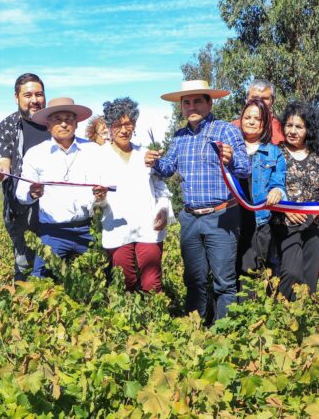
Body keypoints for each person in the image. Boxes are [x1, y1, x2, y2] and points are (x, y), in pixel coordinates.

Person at [145, 80, 250, 322]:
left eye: (197, 101)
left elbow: (244, 169)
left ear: (209, 103)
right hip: (191, 218)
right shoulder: (180, 136)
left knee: (224, 281)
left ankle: (224, 333)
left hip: (221, 216)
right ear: (181, 107)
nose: (192, 106)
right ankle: (195, 331)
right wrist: (154, 162)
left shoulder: (226, 131)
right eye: (186, 102)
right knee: (194, 280)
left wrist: (232, 159)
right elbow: (168, 168)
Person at [15, 97, 104, 278]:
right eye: (57, 119)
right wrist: (32, 192)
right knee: (41, 282)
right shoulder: (36, 154)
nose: (64, 124)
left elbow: (104, 187)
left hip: (87, 230)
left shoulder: (93, 151)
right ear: (48, 125)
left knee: (98, 278)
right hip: (53, 233)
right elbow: (21, 194)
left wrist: (101, 196)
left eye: (69, 119)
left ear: (76, 124)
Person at [96, 97, 173, 293]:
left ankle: (155, 321)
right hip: (117, 228)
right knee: (125, 282)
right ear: (109, 127)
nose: (124, 130)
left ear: (135, 124)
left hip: (148, 227)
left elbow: (160, 188)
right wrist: (99, 197)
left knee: (152, 284)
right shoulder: (99, 157)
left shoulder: (145, 154)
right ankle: (128, 322)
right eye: (118, 125)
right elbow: (93, 196)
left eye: (128, 124)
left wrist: (163, 210)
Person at [273, 102, 319, 301]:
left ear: (308, 129)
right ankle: (284, 317)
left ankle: (306, 322)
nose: (292, 131)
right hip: (286, 225)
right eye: (289, 125)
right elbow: (267, 187)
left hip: (315, 225)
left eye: (298, 127)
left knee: (310, 277)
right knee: (291, 273)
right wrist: (285, 210)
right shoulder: (276, 153)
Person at [0, 73, 48, 281]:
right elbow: (4, 159)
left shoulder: (55, 124)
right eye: (28, 95)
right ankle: (25, 307)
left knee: (54, 264)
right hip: (19, 209)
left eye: (39, 94)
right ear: (17, 98)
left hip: (54, 208)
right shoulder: (8, 126)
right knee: (24, 264)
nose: (35, 100)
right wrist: (0, 168)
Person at [236, 98, 286, 279]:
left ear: (264, 123)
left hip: (259, 223)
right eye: (247, 117)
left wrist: (277, 191)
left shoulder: (274, 153)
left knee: (252, 275)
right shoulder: (230, 149)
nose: (250, 121)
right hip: (232, 223)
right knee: (228, 275)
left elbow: (279, 183)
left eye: (257, 119)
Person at [232, 79, 284, 144]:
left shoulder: (282, 129)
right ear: (246, 99)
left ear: (272, 101)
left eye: (264, 98)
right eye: (254, 98)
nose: (259, 101)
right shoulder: (232, 127)